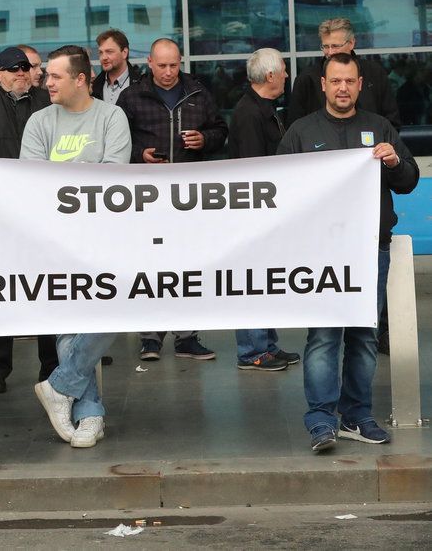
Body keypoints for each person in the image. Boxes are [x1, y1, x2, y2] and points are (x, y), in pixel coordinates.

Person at [277, 52, 418, 452]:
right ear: (323, 84)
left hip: (371, 250)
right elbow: (277, 190)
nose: (342, 88)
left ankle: (357, 415)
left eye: (349, 81)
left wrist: (393, 162)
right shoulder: (300, 132)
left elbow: (408, 180)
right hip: (319, 253)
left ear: (359, 85)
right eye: (335, 81)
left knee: (364, 337)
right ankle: (321, 420)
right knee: (323, 336)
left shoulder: (380, 127)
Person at [20, 45, 131, 448]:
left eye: (55, 76)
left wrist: (63, 175)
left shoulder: (111, 117)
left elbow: (114, 177)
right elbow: (34, 181)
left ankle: (59, 385)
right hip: (55, 241)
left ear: (81, 79)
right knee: (67, 326)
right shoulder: (38, 122)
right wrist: (85, 173)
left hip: (104, 239)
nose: (45, 82)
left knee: (118, 311)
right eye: (46, 76)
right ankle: (90, 415)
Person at [117, 38, 228, 362]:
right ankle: (150, 338)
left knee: (188, 266)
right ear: (150, 62)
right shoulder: (132, 96)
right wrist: (141, 154)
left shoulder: (197, 92)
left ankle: (187, 337)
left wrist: (204, 139)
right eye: (162, 65)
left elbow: (222, 131)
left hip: (187, 196)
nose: (168, 72)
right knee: (148, 267)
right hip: (146, 195)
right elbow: (117, 141)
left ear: (180, 62)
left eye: (174, 65)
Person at [0, 46, 55, 394]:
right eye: (13, 68)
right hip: (1, 216)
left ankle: (51, 365)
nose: (21, 73)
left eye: (25, 68)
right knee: (1, 291)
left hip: (43, 213)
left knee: (48, 290)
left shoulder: (45, 104)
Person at [226, 49, 302, 372]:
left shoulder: (267, 110)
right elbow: (253, 169)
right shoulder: (249, 114)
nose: (287, 75)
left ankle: (267, 345)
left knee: (266, 281)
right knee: (253, 280)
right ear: (270, 76)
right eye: (284, 70)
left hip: (268, 212)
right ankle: (252, 351)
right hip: (254, 214)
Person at [288, 18, 399, 130]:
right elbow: (295, 130)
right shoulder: (307, 79)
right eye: (326, 46)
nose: (330, 52)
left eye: (335, 46)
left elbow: (392, 122)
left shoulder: (375, 73)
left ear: (351, 43)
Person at [91, 29, 141, 104]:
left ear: (124, 53)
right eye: (101, 52)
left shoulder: (141, 85)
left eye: (109, 52)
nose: (104, 57)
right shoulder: (95, 86)